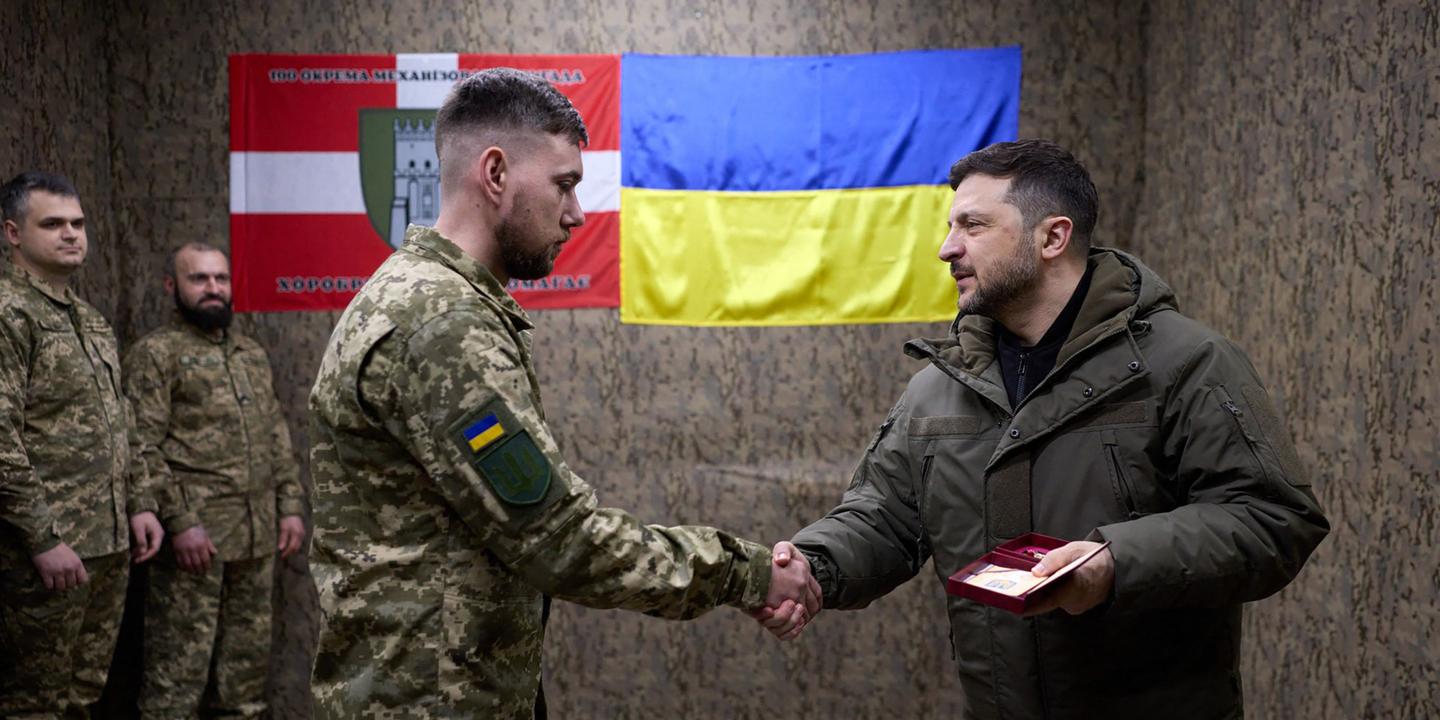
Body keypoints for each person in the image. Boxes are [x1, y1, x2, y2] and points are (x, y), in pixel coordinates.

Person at [308, 68, 819, 719]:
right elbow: (559, 539)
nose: (576, 213)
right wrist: (746, 573)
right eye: (564, 184)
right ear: (495, 173)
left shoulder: (421, 296)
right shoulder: (441, 322)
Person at [759, 140, 1330, 719]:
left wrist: (1113, 563)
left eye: (973, 225)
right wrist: (813, 566)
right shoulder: (936, 388)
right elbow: (882, 519)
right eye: (951, 227)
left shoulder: (1186, 363)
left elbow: (1272, 519)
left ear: (1052, 238)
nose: (947, 248)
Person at [0, 171, 165, 717]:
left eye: (77, 223)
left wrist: (140, 503)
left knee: (82, 695)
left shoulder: (87, 320)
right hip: (44, 550)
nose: (71, 234)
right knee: (34, 701)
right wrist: (41, 538)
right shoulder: (9, 313)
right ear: (13, 233)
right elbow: (1, 438)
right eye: (53, 224)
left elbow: (122, 420)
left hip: (107, 541)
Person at [122, 242, 306, 718]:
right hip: (195, 542)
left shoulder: (249, 353)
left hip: (257, 536)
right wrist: (180, 521)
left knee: (244, 681)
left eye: (220, 279)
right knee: (175, 680)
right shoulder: (156, 354)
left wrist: (289, 506)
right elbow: (140, 445)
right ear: (172, 286)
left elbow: (275, 433)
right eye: (199, 279)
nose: (212, 289)